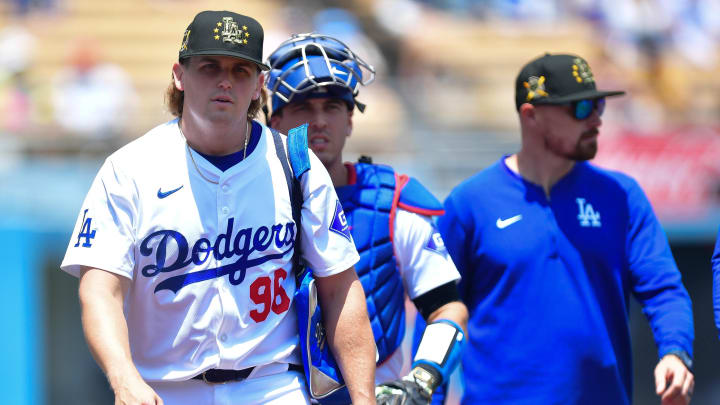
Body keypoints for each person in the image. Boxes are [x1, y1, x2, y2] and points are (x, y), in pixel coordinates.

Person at [60, 11, 376, 405]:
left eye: (241, 70)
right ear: (179, 74)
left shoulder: (296, 163)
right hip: (165, 389)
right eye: (210, 66)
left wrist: (364, 400)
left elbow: (340, 290)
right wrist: (123, 376)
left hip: (273, 385)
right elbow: (100, 290)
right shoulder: (130, 170)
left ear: (260, 84)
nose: (225, 81)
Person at [438, 53, 694, 405]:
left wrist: (676, 352)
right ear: (531, 116)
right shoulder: (470, 202)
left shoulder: (621, 195)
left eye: (598, 105)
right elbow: (437, 310)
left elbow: (663, 289)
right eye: (579, 108)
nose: (595, 119)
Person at [266, 33, 468, 404]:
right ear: (274, 120)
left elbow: (448, 306)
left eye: (332, 107)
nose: (319, 122)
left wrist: (421, 380)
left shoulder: (392, 201)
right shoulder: (246, 205)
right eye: (303, 108)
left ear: (350, 120)